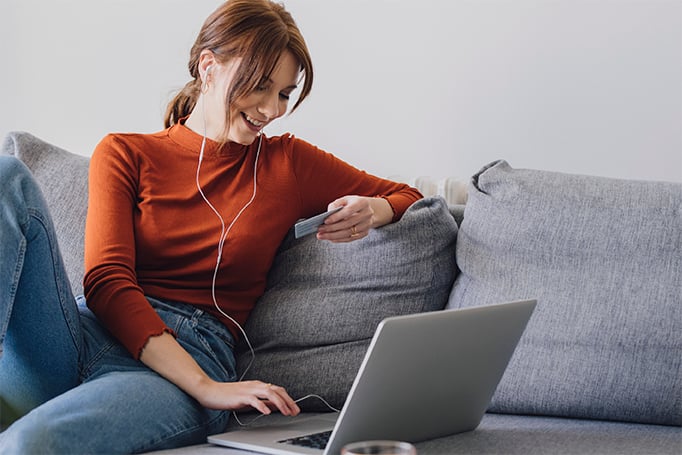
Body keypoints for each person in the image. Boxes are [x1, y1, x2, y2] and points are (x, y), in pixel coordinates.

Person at [0, 0, 422, 452]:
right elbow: (106, 282)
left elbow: (408, 195)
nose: (271, 109)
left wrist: (374, 209)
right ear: (209, 67)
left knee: (30, 441)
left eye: (283, 93)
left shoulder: (288, 163)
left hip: (187, 358)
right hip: (81, 334)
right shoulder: (125, 153)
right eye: (260, 86)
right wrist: (206, 387)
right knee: (7, 176)